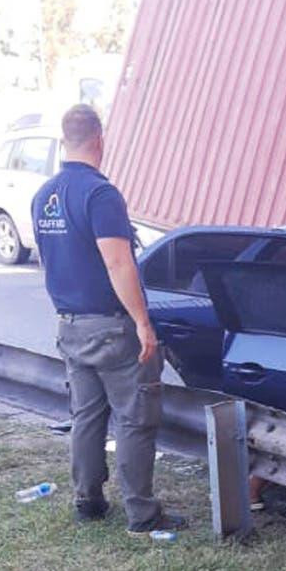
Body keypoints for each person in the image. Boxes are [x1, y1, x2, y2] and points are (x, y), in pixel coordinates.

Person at [31, 104, 186, 537]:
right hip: (112, 329)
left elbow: (51, 260)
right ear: (99, 140)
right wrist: (142, 322)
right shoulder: (100, 194)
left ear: (65, 141)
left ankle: (88, 501)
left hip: (71, 326)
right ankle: (142, 514)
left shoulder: (44, 196)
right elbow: (118, 263)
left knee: (87, 416)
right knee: (136, 419)